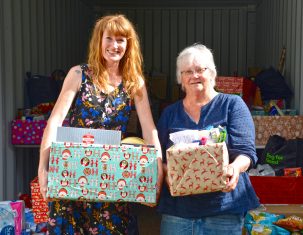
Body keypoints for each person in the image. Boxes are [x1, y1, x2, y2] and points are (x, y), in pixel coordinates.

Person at [38, 14, 163, 234]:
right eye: (109, 38)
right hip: (72, 177)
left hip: (113, 180)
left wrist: (157, 173)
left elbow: (149, 128)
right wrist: (43, 168)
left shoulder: (135, 82)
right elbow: (55, 121)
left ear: (128, 45)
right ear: (99, 40)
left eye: (121, 40)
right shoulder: (79, 74)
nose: (114, 45)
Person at [157, 43, 260, 235]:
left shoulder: (232, 105)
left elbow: (246, 152)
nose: (194, 76)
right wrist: (167, 172)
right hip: (178, 211)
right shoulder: (170, 113)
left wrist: (235, 168)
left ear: (212, 73)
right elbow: (157, 155)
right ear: (181, 79)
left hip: (223, 208)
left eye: (200, 70)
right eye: (187, 71)